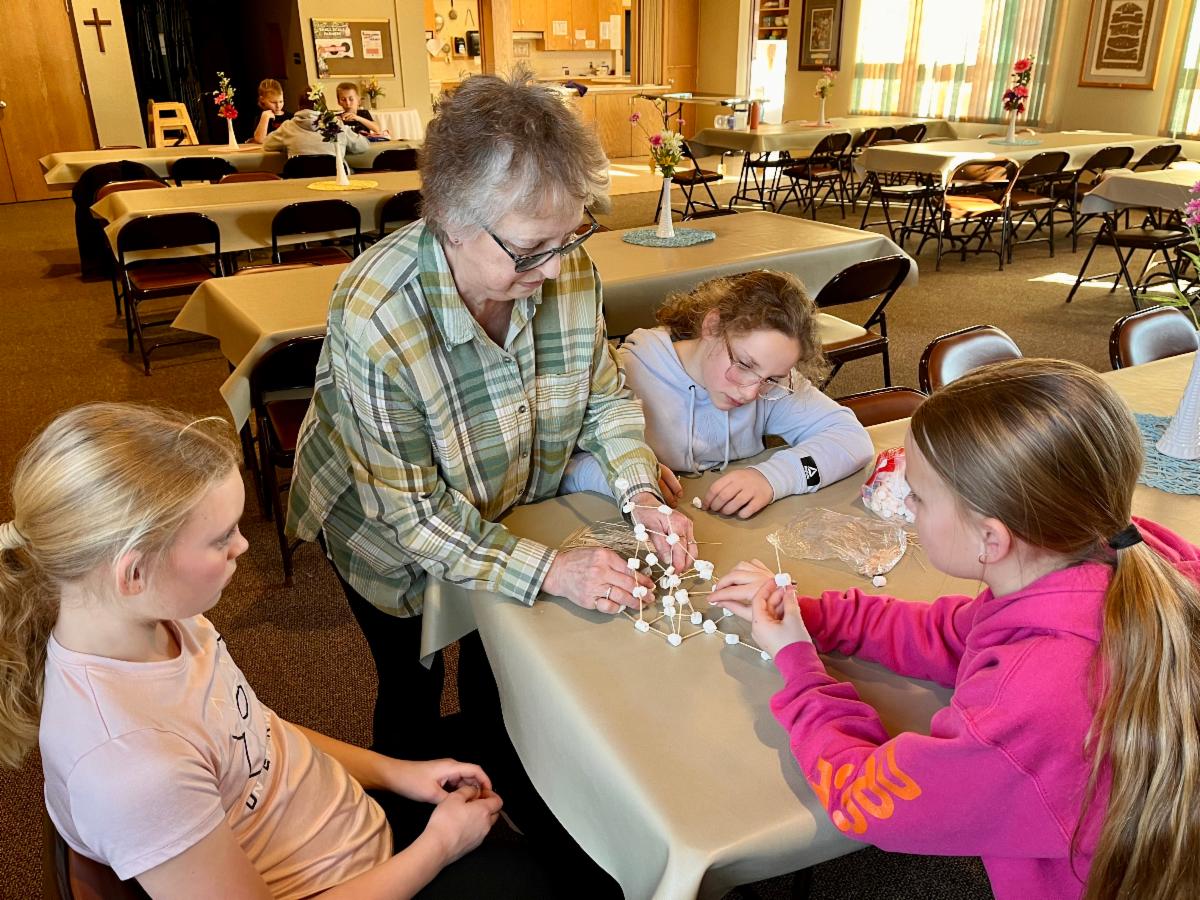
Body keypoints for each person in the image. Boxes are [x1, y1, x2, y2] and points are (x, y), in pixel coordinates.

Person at [286, 71, 694, 895]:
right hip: (384, 535)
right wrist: (553, 569)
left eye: (570, 238)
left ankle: (504, 789)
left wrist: (639, 491)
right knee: (411, 682)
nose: (554, 268)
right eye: (530, 249)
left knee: (498, 659)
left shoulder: (561, 265)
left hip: (502, 499)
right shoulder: (377, 313)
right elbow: (415, 518)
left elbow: (601, 399)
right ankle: (413, 839)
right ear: (448, 218)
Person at [0, 403, 551, 898]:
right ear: (134, 573)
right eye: (221, 538)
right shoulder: (133, 769)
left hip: (343, 825)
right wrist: (439, 847)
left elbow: (256, 733)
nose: (244, 545)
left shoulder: (165, 617)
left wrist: (397, 773)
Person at [708, 358, 1200, 900]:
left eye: (917, 496)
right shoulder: (1128, 552)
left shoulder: (1025, 705)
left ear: (992, 539)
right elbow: (959, 632)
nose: (907, 504)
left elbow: (865, 798)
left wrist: (799, 665)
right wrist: (813, 616)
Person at [560, 270, 874, 517]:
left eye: (771, 379)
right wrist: (630, 480)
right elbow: (561, 469)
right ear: (712, 326)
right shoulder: (624, 376)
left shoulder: (771, 383)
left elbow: (852, 439)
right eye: (744, 364)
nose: (751, 393)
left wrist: (774, 477)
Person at [263, 105, 370, 159]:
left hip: (299, 183)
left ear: (299, 107)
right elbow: (363, 146)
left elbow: (267, 144)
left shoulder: (288, 127)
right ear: (323, 106)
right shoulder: (336, 125)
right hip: (334, 181)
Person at [249, 78, 291, 144]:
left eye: (281, 101)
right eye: (273, 102)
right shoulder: (261, 118)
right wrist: (265, 118)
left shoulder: (290, 117)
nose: (278, 106)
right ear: (262, 99)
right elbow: (259, 140)